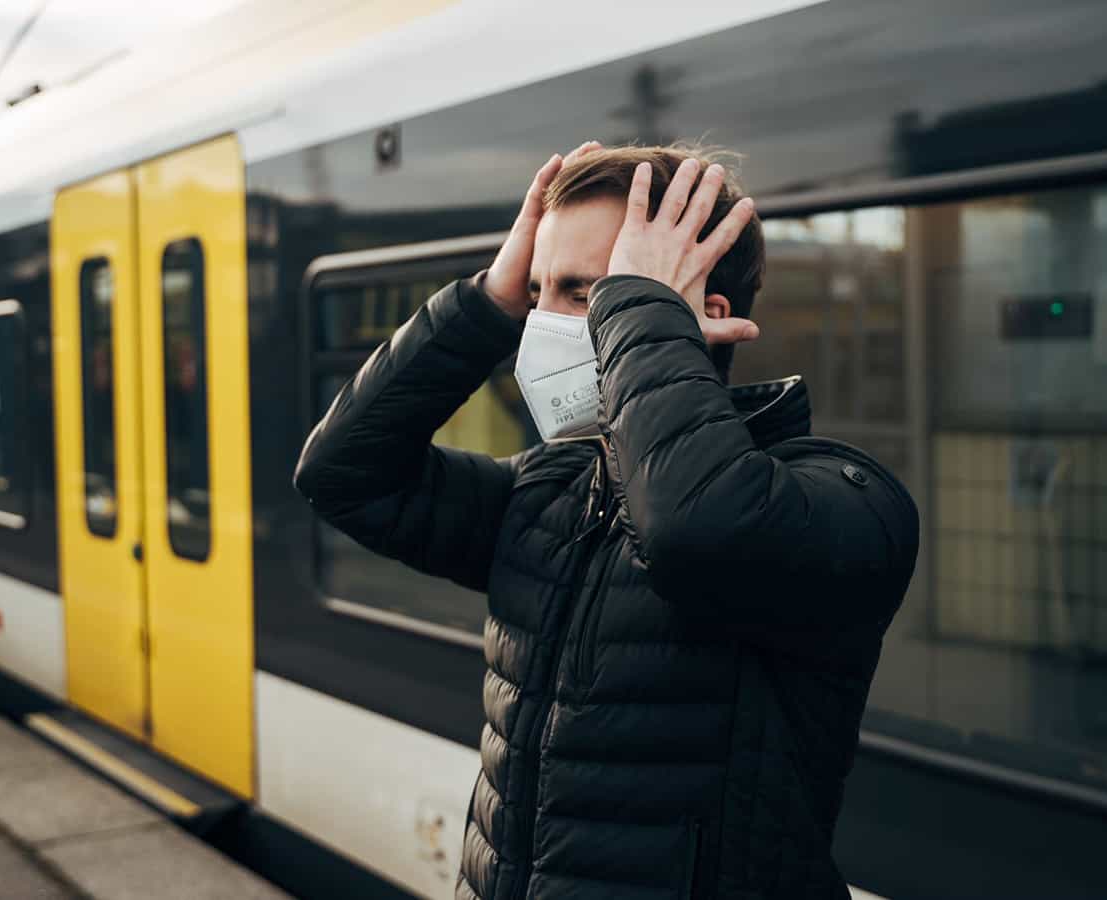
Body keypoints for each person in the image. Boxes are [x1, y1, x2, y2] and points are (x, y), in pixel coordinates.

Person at [295, 143, 919, 900]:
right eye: (537, 294)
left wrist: (644, 315)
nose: (542, 323)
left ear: (701, 316)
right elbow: (343, 475)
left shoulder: (843, 500)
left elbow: (694, 530)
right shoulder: (545, 493)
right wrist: (486, 303)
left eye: (587, 294)